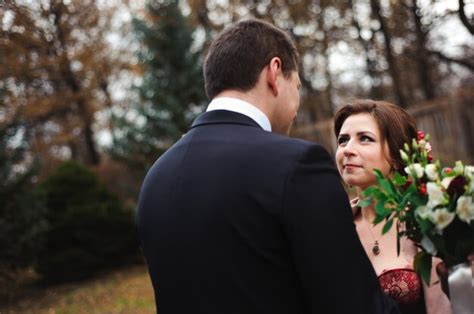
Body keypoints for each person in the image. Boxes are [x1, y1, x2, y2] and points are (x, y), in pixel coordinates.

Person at [137, 19, 399, 314]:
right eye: (297, 86)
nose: (297, 105)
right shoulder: (296, 165)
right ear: (275, 73)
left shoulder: (155, 179)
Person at [334, 100, 451, 314]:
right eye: (343, 141)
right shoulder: (332, 227)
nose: (348, 150)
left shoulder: (430, 220)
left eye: (365, 139)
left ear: (398, 156)